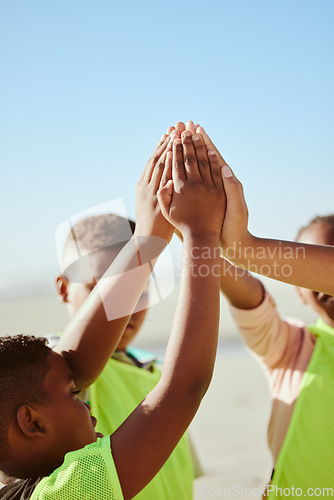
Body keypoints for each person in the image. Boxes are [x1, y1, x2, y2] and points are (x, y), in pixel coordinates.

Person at [0, 130, 225, 499]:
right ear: (30, 421)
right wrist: (199, 235)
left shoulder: (144, 371)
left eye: (139, 288)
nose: (86, 404)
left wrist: (150, 236)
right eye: (75, 392)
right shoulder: (66, 490)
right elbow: (184, 386)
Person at [174, 121, 334, 497]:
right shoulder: (294, 347)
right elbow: (248, 295)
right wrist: (203, 236)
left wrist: (246, 246)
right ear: (298, 290)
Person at [54, 214, 199, 498]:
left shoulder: (157, 373)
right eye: (104, 288)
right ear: (64, 288)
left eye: (138, 287)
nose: (125, 305)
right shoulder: (50, 369)